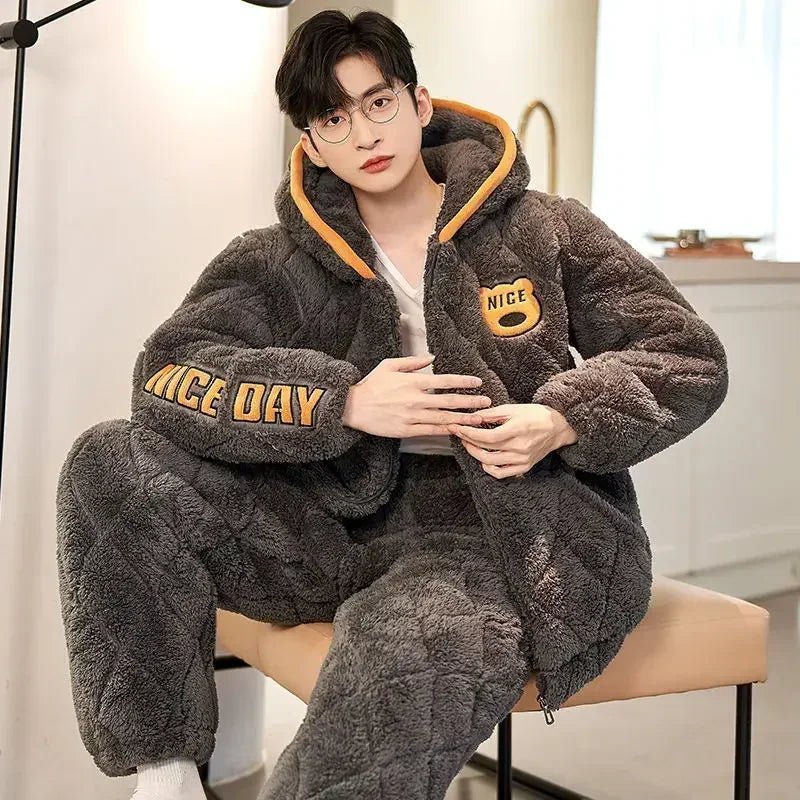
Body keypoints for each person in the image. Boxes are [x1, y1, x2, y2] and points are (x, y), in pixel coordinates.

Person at [55, 9, 729, 800]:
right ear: (312, 143)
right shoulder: (273, 260)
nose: (365, 134)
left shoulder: (544, 228)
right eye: (333, 119)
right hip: (325, 522)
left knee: (401, 666)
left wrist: (560, 419)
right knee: (109, 460)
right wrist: (341, 403)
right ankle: (165, 778)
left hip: (493, 532)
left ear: (418, 103)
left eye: (378, 103)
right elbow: (168, 374)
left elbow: (686, 354)